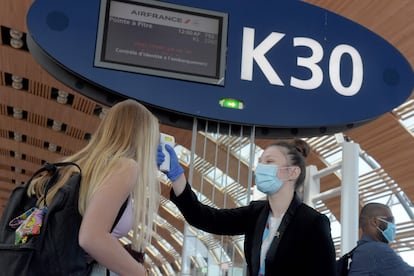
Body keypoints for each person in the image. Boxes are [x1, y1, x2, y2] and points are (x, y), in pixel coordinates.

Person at [160, 139, 337, 275]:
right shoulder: (256, 213)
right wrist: (177, 177)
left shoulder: (312, 222)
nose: (261, 168)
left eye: (269, 162)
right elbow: (205, 217)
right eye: (261, 161)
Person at [27, 99, 160, 275]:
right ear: (144, 138)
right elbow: (92, 237)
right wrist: (142, 273)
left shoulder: (76, 166)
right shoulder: (125, 166)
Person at [348, 202, 414, 275]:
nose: (393, 225)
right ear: (375, 222)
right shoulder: (376, 250)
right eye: (390, 220)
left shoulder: (362, 250)